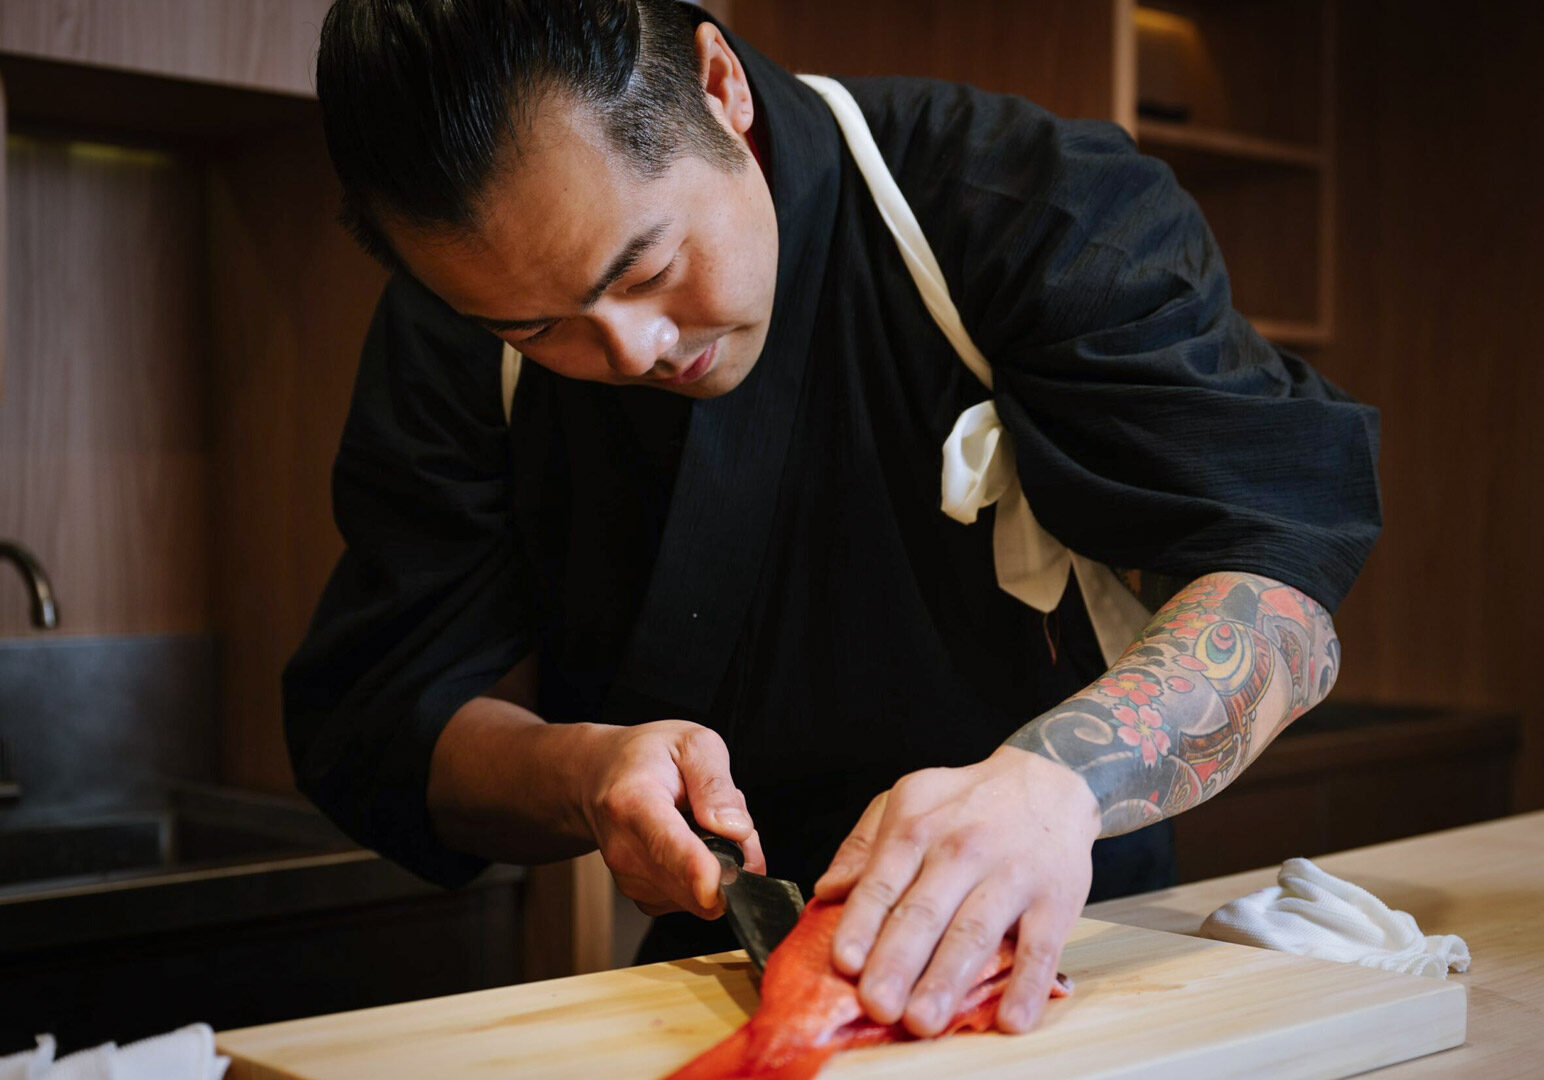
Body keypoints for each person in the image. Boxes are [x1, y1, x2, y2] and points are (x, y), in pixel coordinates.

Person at [285, 0, 1380, 1038]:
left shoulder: (1021, 202)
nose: (628, 351)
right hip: (723, 960)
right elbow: (393, 717)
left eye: (649, 266)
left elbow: (1275, 571)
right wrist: (583, 775)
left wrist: (1056, 787)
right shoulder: (455, 333)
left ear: (719, 88)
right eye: (538, 326)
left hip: (1072, 925)